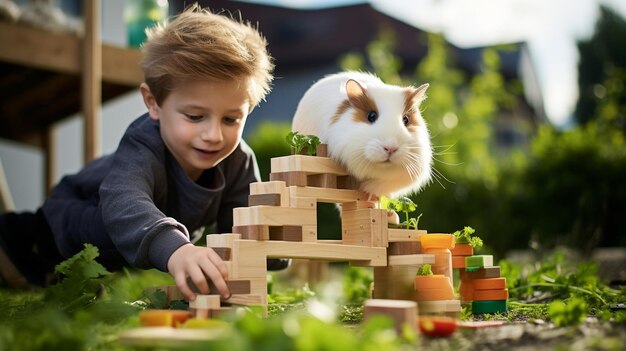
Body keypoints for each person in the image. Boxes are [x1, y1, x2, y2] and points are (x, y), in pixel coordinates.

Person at [0, 4, 287, 301]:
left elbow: (241, 230)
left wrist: (273, 246)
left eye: (231, 119)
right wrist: (177, 249)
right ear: (153, 103)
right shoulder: (143, 143)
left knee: (74, 293)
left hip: (102, 256)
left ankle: (59, 279)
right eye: (194, 116)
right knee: (35, 258)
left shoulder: (238, 161)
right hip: (57, 226)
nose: (213, 135)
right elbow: (125, 202)